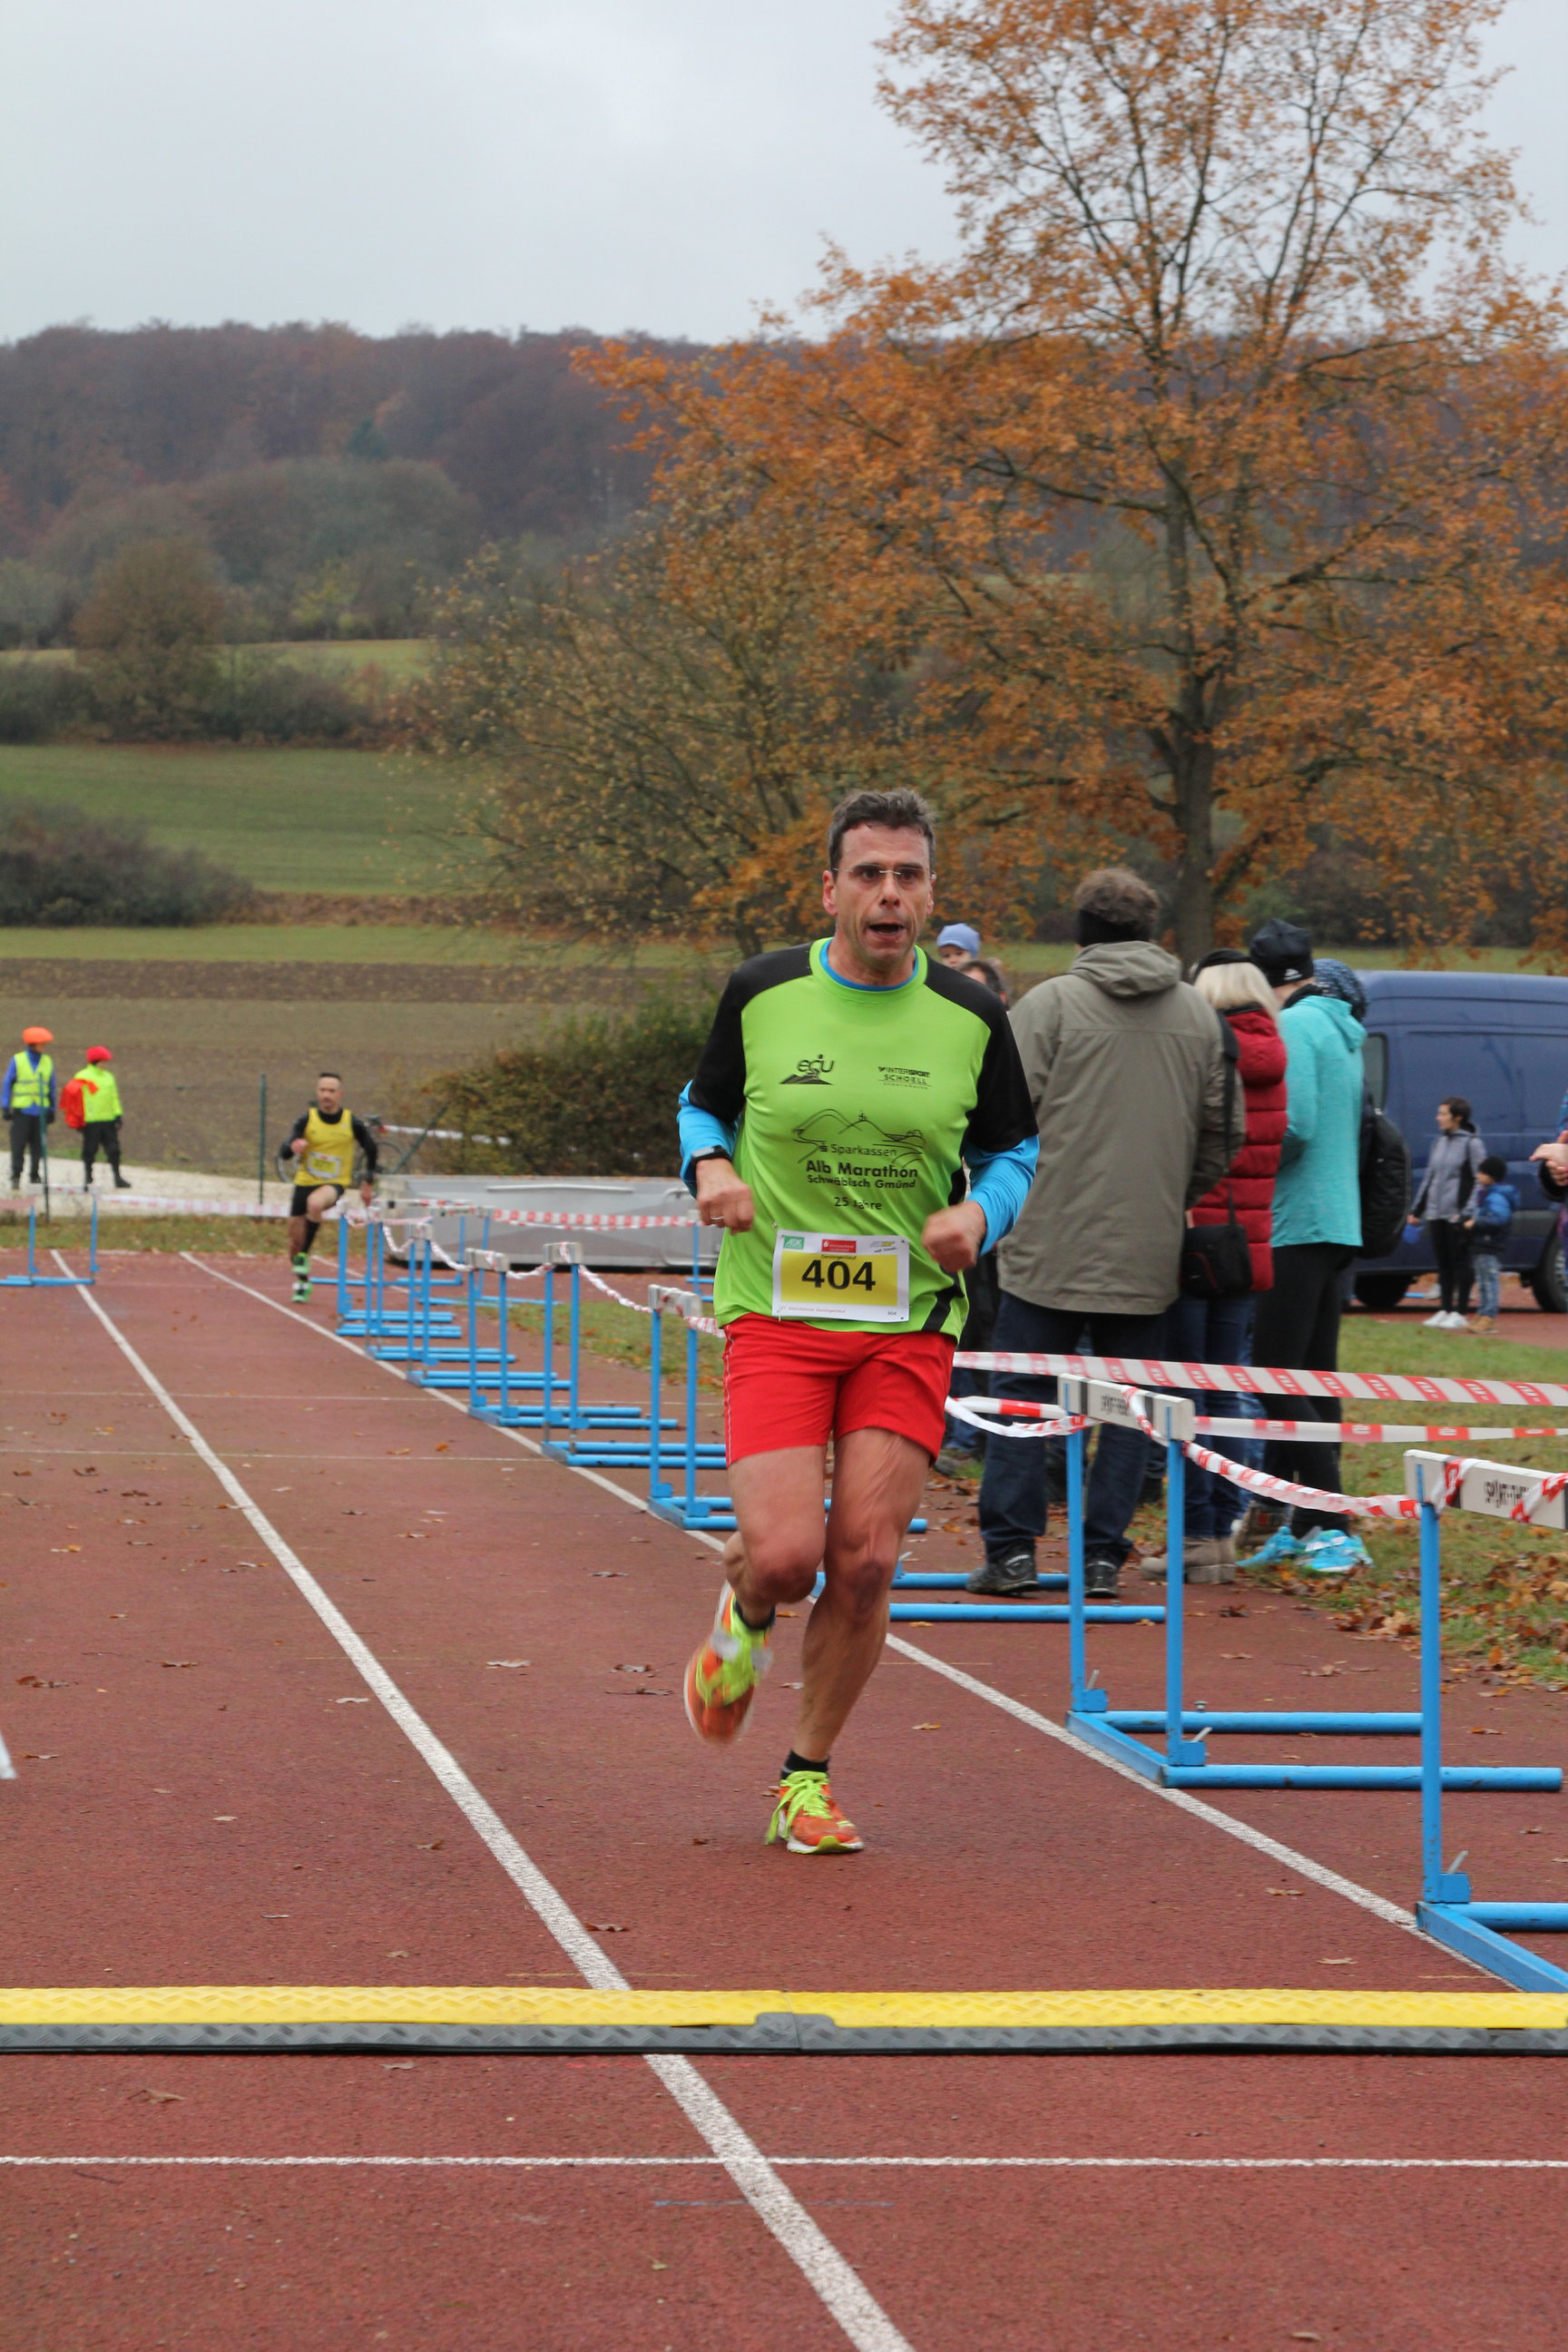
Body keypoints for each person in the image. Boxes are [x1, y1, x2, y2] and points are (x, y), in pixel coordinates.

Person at [676, 788, 1038, 1855]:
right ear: (830, 889)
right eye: (870, 874)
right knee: (789, 1558)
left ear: (929, 894)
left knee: (869, 1558)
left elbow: (1016, 1150)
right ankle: (747, 1609)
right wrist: (709, 1166)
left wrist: (981, 1213)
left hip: (907, 1317)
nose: (889, 894)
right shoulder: (764, 991)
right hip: (778, 1310)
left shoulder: (973, 1017)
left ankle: (805, 1778)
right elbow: (702, 1103)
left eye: (908, 876)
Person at [969, 867, 1242, 1602]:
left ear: (1082, 932)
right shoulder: (1198, 1016)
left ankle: (1012, 1552)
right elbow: (1225, 1133)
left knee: (1023, 1393)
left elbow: (996, 1113)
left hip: (1045, 1240)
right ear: (1151, 932)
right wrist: (1171, 1195)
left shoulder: (1049, 1005)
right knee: (1129, 1406)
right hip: (1146, 1251)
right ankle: (1100, 1559)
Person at [1142, 951, 1286, 1585]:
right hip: (1248, 1244)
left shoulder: (1203, 1050)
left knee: (1183, 1392)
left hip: (1197, 1235)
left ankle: (1195, 1532)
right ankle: (1222, 1528)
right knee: (1226, 1389)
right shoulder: (1275, 1055)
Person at [1240, 918, 1369, 1576]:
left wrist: (1243, 1148)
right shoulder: (1342, 1026)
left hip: (1297, 1220)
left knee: (1271, 1372)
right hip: (1338, 1219)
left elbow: (1295, 1127)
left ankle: (1335, 1519)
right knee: (1314, 1375)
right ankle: (1307, 1522)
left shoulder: (1293, 1025)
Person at [283, 1073, 377, 1304]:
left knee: (315, 1204)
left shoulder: (351, 1122)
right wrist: (293, 1147)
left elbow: (372, 1149)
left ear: (340, 1095)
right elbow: (284, 1151)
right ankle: (303, 1282)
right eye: (323, 1090)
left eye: (331, 1091)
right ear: (317, 1092)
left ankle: (304, 1254)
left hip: (334, 1183)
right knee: (293, 1242)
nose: (326, 1095)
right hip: (304, 1182)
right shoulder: (306, 1120)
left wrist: (367, 1182)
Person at [1408, 1096, 1486, 1328]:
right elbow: (1430, 1178)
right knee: (1443, 1264)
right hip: (1437, 1212)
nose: (1438, 1118)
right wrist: (1417, 1210)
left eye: (1443, 1114)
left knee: (1460, 1262)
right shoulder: (1439, 1143)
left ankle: (1460, 1311)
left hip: (1457, 1214)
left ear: (1458, 1117)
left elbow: (1479, 1181)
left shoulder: (1472, 1144)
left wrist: (1467, 1212)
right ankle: (1445, 1309)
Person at [1464, 1154, 1515, 1334]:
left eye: (1482, 1172)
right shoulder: (1486, 1193)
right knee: (1482, 1281)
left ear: (1491, 1175)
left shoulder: (1497, 1197)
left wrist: (1476, 1223)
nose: (1478, 1175)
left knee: (1489, 1280)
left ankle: (1489, 1316)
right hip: (1481, 1243)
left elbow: (1499, 1219)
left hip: (1490, 1244)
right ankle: (1482, 1312)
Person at [73, 1046, 132, 1191]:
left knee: (114, 1150)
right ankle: (88, 1178)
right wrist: (77, 1119)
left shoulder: (109, 1077)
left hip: (108, 1120)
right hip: (90, 1121)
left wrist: (117, 1114)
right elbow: (75, 1100)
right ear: (96, 1061)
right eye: (103, 1061)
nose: (105, 1064)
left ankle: (117, 1177)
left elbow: (114, 1097)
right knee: (89, 1151)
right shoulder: (82, 1077)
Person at [5, 1026, 55, 1191]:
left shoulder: (47, 1061)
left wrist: (52, 1108)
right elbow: (7, 1083)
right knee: (18, 1146)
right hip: (22, 1111)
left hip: (40, 1111)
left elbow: (51, 1086)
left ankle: (35, 1175)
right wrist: (5, 1106)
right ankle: (16, 1176)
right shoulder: (18, 1060)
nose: (44, 1047)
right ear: (33, 1044)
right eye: (41, 1044)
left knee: (38, 1146)